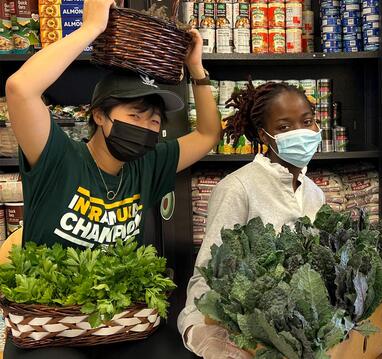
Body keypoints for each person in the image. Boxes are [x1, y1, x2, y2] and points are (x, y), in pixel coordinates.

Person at [4, 0, 220, 357]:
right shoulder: (58, 156)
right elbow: (20, 89)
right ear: (101, 116)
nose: (148, 128)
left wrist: (196, 70)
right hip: (51, 328)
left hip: (119, 323)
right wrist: (90, 30)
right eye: (136, 115)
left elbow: (209, 134)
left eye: (155, 121)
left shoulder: (149, 164)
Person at [178, 81, 325, 358]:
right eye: (284, 127)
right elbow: (209, 273)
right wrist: (208, 335)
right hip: (236, 334)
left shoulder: (315, 194)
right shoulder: (238, 188)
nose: (300, 132)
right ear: (264, 134)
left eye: (307, 122)